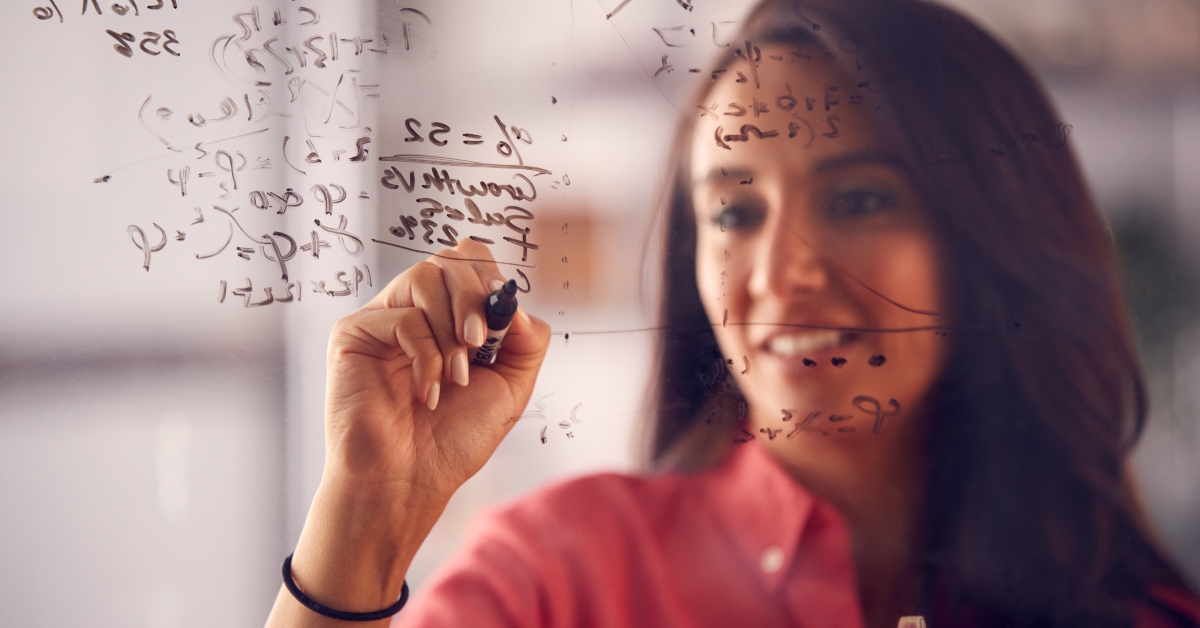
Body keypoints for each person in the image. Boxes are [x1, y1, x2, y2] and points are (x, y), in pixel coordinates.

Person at [265, 0, 1200, 626]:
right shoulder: (562, 573)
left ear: (992, 239)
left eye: (859, 199)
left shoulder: (1138, 612)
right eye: (735, 211)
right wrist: (367, 505)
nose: (779, 273)